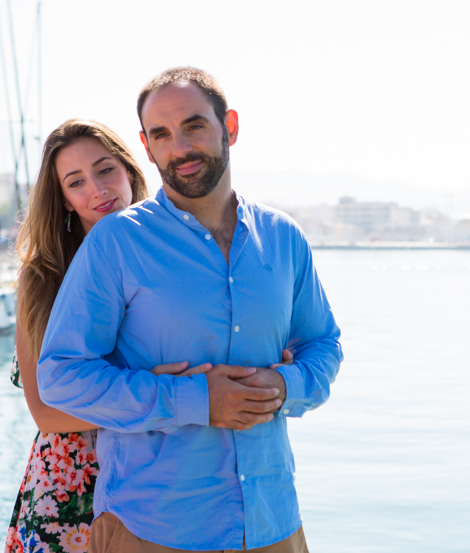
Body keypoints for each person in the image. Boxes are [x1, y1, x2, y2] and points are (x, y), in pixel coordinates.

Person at [37, 67, 342, 553]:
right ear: (147, 145)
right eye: (161, 134)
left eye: (194, 126)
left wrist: (284, 386)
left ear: (230, 127)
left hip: (272, 522)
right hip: (152, 528)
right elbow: (60, 376)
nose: (179, 148)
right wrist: (193, 400)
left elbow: (323, 343)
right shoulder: (116, 244)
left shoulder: (284, 238)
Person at [4, 119, 274, 553]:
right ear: (65, 201)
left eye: (105, 170)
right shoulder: (42, 279)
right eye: (76, 182)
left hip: (162, 481)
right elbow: (47, 413)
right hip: (71, 484)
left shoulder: (177, 255)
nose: (97, 189)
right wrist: (162, 391)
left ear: (130, 170)